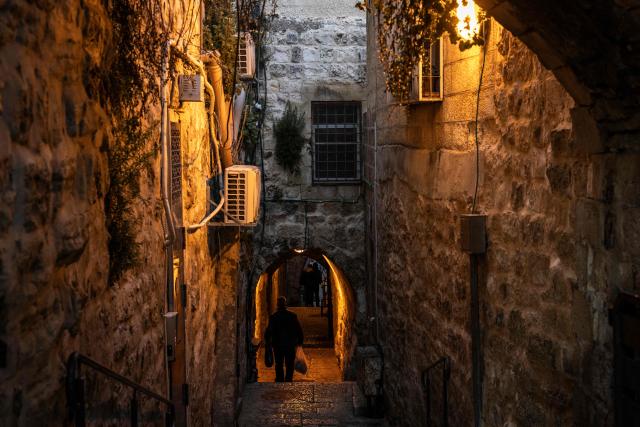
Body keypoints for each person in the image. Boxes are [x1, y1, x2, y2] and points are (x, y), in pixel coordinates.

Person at [264, 296, 304, 382]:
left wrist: (267, 342)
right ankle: (289, 379)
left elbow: (268, 331)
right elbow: (298, 329)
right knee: (289, 364)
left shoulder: (274, 317)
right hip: (290, 344)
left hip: (278, 345)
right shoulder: (292, 316)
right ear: (285, 304)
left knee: (279, 364)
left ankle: (280, 379)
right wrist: (300, 342)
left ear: (277, 305)